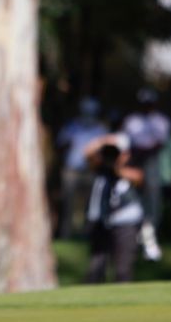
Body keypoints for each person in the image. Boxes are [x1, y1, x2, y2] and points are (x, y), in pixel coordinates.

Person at [83, 133, 145, 283]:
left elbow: (138, 178)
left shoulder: (131, 168)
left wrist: (116, 167)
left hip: (125, 224)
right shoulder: (99, 169)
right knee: (96, 266)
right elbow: (86, 153)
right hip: (102, 223)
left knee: (123, 269)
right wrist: (103, 141)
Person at [122, 88, 169, 261]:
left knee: (152, 202)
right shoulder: (132, 120)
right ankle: (133, 236)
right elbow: (129, 142)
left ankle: (150, 239)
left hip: (151, 162)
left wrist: (145, 150)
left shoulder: (160, 121)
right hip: (134, 162)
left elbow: (159, 143)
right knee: (132, 199)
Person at [56, 97, 109, 238]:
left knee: (90, 205)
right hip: (72, 171)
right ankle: (65, 234)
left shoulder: (101, 130)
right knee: (68, 205)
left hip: (91, 172)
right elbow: (60, 145)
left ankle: (85, 235)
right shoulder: (72, 126)